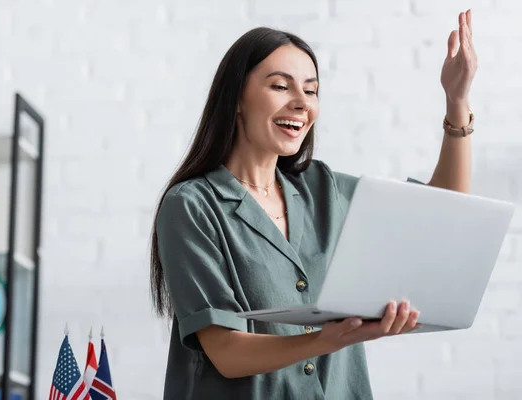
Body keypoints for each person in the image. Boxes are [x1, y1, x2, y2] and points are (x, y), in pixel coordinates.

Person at [150, 9, 476, 399]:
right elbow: (225, 351)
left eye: (311, 89)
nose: (302, 103)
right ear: (236, 97)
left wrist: (457, 102)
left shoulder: (323, 189)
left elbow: (441, 213)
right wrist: (329, 339)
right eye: (281, 86)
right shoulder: (192, 206)